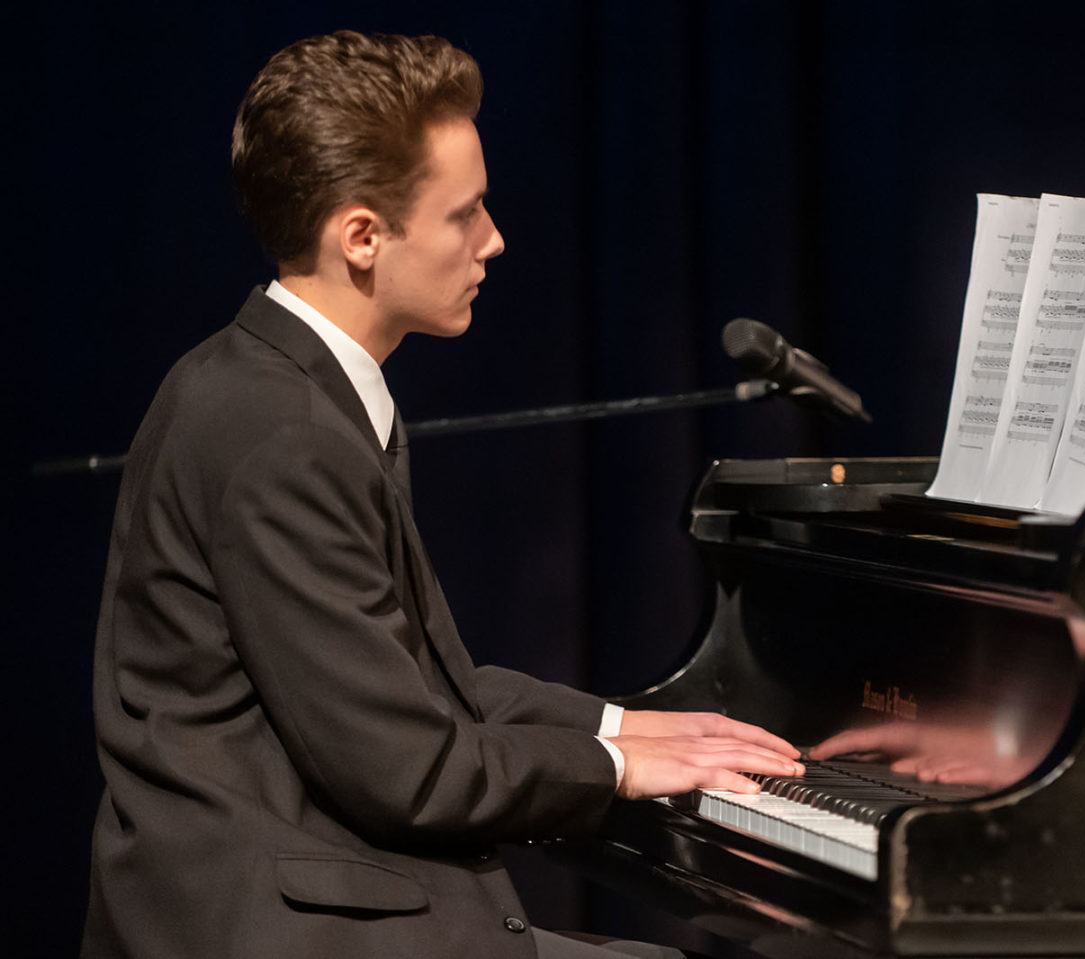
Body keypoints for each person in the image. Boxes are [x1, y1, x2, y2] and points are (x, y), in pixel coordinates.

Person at [82, 30, 803, 959]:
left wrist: (621, 722)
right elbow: (410, 769)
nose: (494, 239)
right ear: (362, 237)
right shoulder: (284, 434)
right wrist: (618, 767)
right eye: (465, 214)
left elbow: (415, 686)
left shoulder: (277, 386)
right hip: (276, 926)